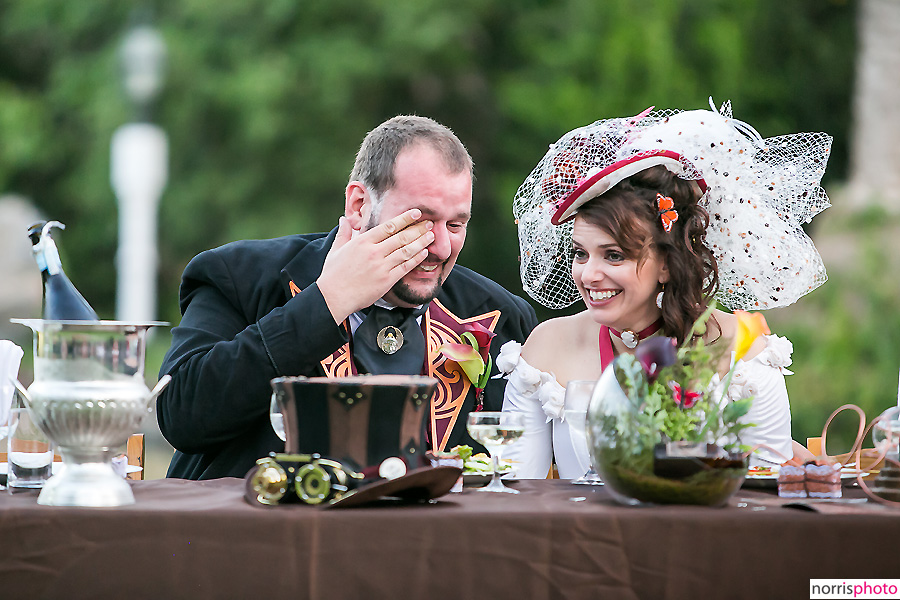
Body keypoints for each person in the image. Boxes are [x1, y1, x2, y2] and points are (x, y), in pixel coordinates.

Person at [157, 115, 537, 480]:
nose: (440, 246)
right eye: (420, 220)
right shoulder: (239, 275)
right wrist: (326, 302)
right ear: (359, 206)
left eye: (456, 224)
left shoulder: (499, 315)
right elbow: (180, 416)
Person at [499, 100, 830, 479]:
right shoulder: (549, 346)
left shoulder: (742, 351)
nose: (589, 274)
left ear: (667, 263)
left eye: (613, 256)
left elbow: (764, 498)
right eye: (580, 253)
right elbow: (514, 488)